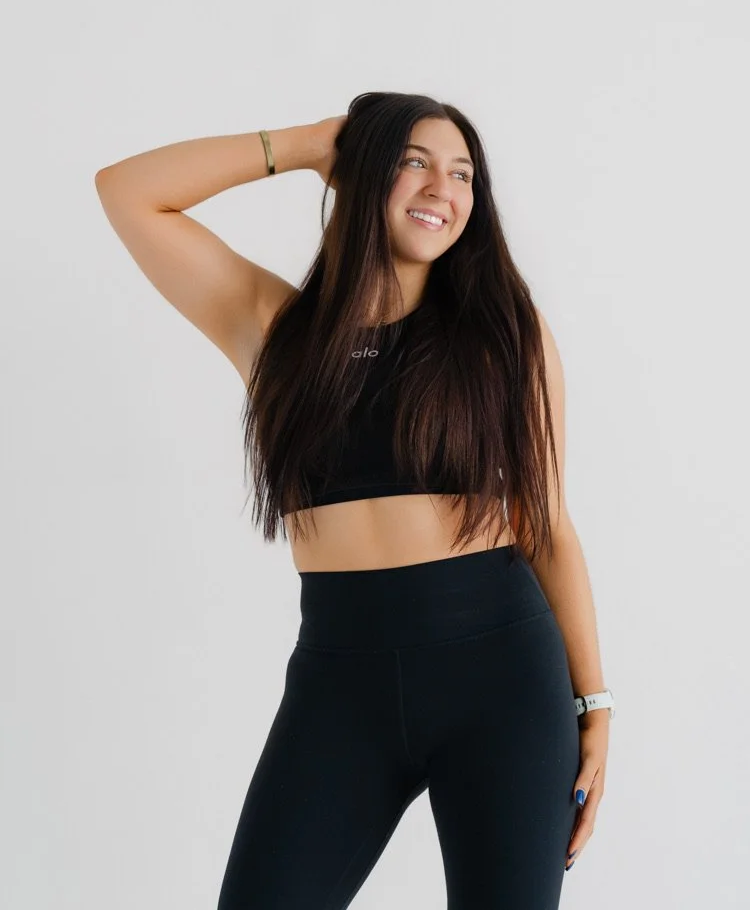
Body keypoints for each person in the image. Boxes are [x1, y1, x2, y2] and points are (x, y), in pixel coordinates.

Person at [95, 91, 613, 909]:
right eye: (414, 161)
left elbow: (547, 524)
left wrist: (596, 704)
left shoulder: (507, 332)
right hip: (340, 684)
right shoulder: (274, 327)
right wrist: (307, 145)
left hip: (504, 680)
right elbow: (126, 190)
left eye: (463, 174)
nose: (443, 188)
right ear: (361, 173)